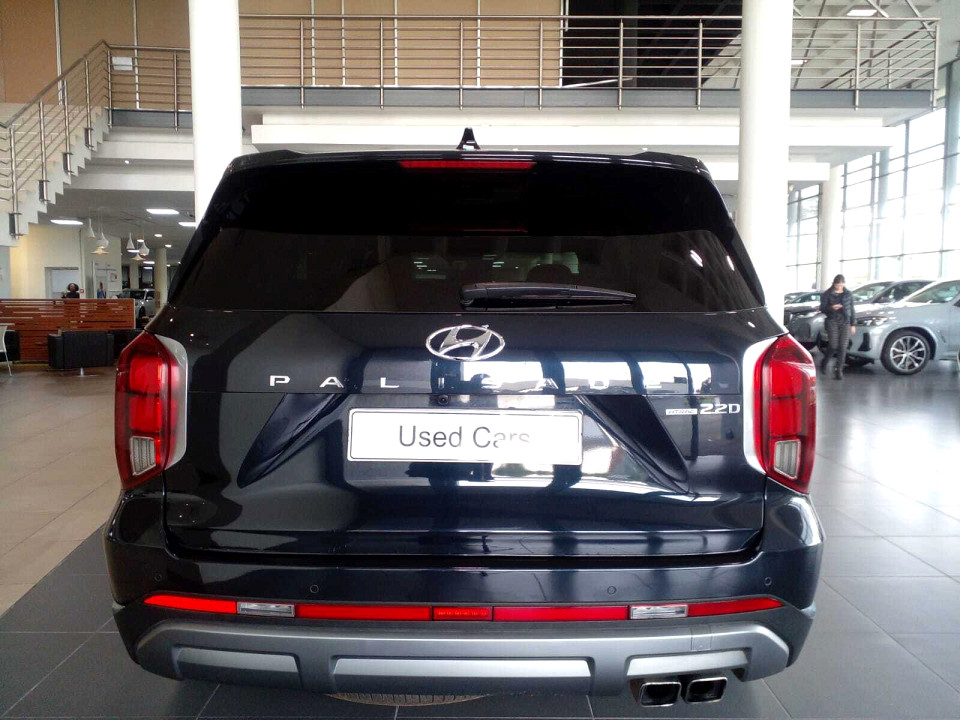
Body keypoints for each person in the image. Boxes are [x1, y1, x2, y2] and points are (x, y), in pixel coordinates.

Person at [819, 274, 856, 380]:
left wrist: (853, 324)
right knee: (833, 345)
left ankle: (839, 370)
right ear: (834, 284)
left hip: (845, 321)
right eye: (837, 285)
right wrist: (831, 308)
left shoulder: (848, 294)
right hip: (832, 320)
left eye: (841, 284)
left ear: (844, 284)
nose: (840, 287)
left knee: (843, 346)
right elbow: (822, 308)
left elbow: (852, 309)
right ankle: (824, 362)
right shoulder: (827, 294)